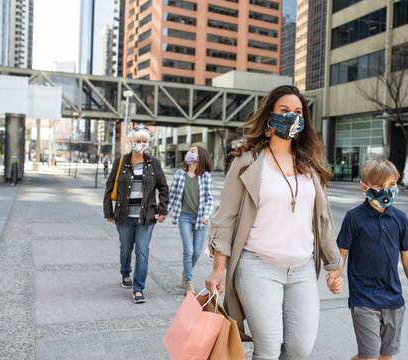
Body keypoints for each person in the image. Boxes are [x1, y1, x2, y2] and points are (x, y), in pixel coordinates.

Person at [205, 85, 343, 360]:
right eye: (284, 110)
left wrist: (334, 265)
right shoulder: (248, 160)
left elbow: (323, 218)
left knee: (299, 349)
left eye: (298, 112)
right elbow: (226, 217)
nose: (292, 117)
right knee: (268, 348)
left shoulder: (310, 163)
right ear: (270, 117)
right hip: (257, 265)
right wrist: (218, 268)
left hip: (302, 269)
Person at [336, 158, 408, 360]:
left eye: (392, 185)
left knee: (386, 356)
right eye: (379, 186)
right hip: (363, 298)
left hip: (393, 299)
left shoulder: (400, 219)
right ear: (364, 187)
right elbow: (342, 253)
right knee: (368, 356)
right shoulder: (354, 218)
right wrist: (335, 276)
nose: (387, 191)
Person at [103, 124, 169, 304]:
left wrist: (162, 210)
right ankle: (125, 272)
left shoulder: (153, 163)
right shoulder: (121, 161)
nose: (141, 144)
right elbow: (109, 187)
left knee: (142, 251)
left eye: (144, 141)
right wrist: (108, 211)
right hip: (123, 216)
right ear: (132, 142)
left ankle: (138, 288)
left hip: (146, 217)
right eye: (138, 141)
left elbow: (163, 188)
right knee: (125, 249)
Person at [167, 145, 214, 293]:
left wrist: (206, 215)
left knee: (197, 252)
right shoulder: (180, 175)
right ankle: (188, 280)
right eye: (189, 151)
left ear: (200, 157)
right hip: (184, 217)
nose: (189, 153)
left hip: (200, 219)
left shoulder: (206, 177)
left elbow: (210, 199)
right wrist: (162, 213)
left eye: (192, 151)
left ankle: (185, 272)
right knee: (188, 251)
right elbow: (172, 197)